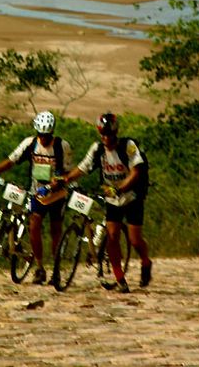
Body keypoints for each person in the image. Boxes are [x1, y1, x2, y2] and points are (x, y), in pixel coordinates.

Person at [57, 111, 152, 293]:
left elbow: (136, 171)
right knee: (113, 235)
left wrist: (121, 187)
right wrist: (65, 179)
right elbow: (83, 168)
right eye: (102, 134)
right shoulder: (97, 149)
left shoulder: (128, 146)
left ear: (115, 133)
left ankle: (146, 262)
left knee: (134, 239)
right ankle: (119, 278)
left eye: (109, 134)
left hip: (132, 196)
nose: (106, 138)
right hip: (111, 197)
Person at [0, 110, 73, 285]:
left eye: (47, 135)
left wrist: (50, 187)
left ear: (52, 133)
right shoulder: (30, 143)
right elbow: (12, 160)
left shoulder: (61, 146)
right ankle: (40, 267)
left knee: (55, 230)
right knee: (34, 224)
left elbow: (64, 175)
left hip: (57, 194)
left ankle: (56, 269)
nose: (44, 138)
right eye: (41, 135)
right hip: (37, 192)